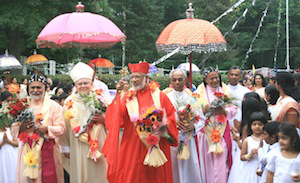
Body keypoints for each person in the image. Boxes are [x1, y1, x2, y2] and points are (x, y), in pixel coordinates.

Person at [103, 62, 178, 183]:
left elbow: (171, 117)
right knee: (133, 175)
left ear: (147, 78)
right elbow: (118, 118)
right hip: (133, 146)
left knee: (155, 177)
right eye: (132, 77)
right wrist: (118, 95)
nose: (134, 80)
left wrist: (162, 124)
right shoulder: (128, 97)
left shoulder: (160, 96)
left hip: (157, 143)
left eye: (137, 77)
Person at [12, 74, 65, 183]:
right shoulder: (23, 106)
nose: (35, 90)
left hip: (47, 149)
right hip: (27, 149)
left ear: (45, 88)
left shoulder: (54, 107)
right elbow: (14, 129)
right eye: (32, 87)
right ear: (28, 89)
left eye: (39, 87)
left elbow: (61, 128)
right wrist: (22, 126)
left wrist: (46, 129)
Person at [62, 62, 108, 183]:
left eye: (86, 83)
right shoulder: (69, 102)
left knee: (100, 172)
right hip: (77, 143)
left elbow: (112, 119)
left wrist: (103, 119)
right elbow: (65, 127)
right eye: (80, 84)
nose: (83, 86)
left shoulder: (100, 99)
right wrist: (65, 147)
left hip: (100, 141)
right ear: (75, 85)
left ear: (91, 84)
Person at [164, 69, 204, 183]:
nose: (177, 82)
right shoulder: (165, 97)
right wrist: (172, 122)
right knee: (173, 166)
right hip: (171, 137)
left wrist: (193, 126)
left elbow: (201, 118)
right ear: (171, 81)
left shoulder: (192, 98)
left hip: (188, 138)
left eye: (180, 79)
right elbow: (160, 116)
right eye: (174, 80)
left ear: (185, 80)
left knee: (188, 166)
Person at [194, 68, 233, 183]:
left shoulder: (226, 91)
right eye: (212, 78)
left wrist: (224, 111)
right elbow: (193, 110)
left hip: (222, 130)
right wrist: (203, 110)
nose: (215, 80)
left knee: (222, 159)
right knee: (206, 161)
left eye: (217, 77)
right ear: (206, 79)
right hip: (205, 131)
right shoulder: (199, 92)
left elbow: (233, 108)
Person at [240, 111, 267, 183]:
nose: (257, 126)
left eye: (260, 124)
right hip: (250, 168)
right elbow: (242, 157)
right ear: (250, 126)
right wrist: (250, 155)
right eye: (254, 124)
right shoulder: (247, 140)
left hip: (263, 167)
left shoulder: (266, 140)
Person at [0, 91, 19, 183]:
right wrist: (3, 142)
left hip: (13, 155)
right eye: (8, 101)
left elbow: (17, 143)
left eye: (12, 101)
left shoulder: (14, 119)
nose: (10, 104)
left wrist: (7, 141)